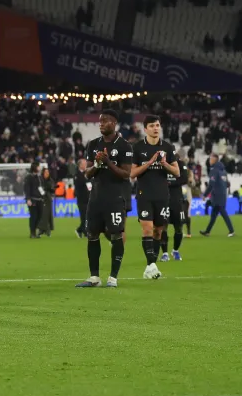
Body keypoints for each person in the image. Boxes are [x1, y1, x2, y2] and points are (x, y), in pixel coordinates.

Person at [76, 109, 133, 288]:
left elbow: (125, 174)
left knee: (116, 235)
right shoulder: (93, 145)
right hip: (96, 198)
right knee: (92, 235)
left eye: (105, 121)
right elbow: (87, 173)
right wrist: (99, 164)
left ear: (114, 123)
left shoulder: (124, 146)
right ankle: (94, 277)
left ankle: (113, 277)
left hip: (116, 197)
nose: (101, 124)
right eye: (100, 121)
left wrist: (107, 162)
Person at [129, 115, 179, 279]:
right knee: (147, 229)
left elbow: (177, 172)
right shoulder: (137, 148)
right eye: (152, 126)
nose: (156, 128)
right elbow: (132, 173)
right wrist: (149, 162)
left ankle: (151, 266)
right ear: (145, 129)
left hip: (162, 195)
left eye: (157, 125)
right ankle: (151, 264)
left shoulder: (168, 147)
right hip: (144, 194)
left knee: (158, 231)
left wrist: (164, 164)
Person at [160, 162, 190, 262]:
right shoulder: (161, 163)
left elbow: (184, 179)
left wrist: (169, 183)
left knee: (179, 227)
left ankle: (175, 250)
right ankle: (164, 253)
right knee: (163, 226)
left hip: (177, 201)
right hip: (163, 199)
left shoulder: (180, 164)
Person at [200, 154, 235, 237]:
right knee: (214, 214)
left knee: (223, 212)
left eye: (210, 159)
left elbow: (211, 184)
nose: (209, 160)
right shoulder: (223, 171)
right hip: (223, 194)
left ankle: (232, 231)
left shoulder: (214, 170)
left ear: (214, 160)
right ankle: (207, 231)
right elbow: (227, 184)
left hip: (217, 195)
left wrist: (205, 195)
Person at [24, 161, 43, 239]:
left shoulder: (39, 177)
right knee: (34, 216)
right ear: (35, 167)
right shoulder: (29, 177)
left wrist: (43, 195)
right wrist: (28, 199)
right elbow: (26, 189)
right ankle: (32, 233)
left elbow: (41, 188)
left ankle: (35, 231)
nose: (40, 168)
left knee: (40, 216)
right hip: (33, 200)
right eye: (39, 166)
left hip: (40, 199)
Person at [74, 158, 90, 238]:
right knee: (84, 217)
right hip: (81, 199)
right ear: (80, 165)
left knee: (88, 217)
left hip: (88, 198)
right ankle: (84, 231)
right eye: (84, 164)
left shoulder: (86, 173)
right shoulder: (77, 175)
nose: (86, 165)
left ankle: (80, 230)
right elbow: (79, 185)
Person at [37, 166, 55, 238]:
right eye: (46, 172)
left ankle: (45, 230)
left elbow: (52, 189)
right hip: (41, 199)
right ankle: (44, 230)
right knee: (42, 215)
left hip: (48, 199)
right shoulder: (40, 180)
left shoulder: (51, 180)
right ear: (43, 173)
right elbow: (39, 188)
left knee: (47, 215)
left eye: (48, 172)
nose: (47, 173)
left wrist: (52, 193)